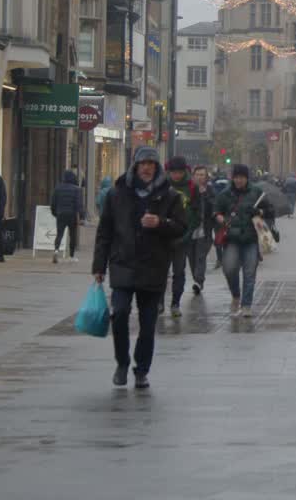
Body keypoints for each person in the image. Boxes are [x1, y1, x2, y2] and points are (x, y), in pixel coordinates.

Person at [92, 146, 186, 389]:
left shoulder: (170, 196)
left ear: (156, 168)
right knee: (120, 313)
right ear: (135, 165)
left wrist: (161, 223)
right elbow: (105, 232)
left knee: (148, 323)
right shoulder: (117, 194)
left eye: (151, 164)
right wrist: (99, 266)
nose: (146, 168)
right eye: (142, 163)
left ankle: (142, 369)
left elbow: (181, 228)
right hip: (123, 262)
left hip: (153, 266)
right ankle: (122, 363)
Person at [214, 164, 268, 318]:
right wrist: (220, 218)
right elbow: (216, 210)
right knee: (229, 269)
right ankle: (236, 295)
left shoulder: (257, 193)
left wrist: (259, 211)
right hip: (231, 239)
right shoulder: (225, 194)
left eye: (242, 177)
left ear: (247, 178)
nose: (238, 180)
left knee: (249, 272)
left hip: (250, 238)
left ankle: (246, 305)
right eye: (236, 177)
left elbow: (269, 210)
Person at [163, 157, 193, 317]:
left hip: (182, 237)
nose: (176, 175)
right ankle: (159, 302)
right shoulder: (162, 186)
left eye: (179, 172)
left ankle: (175, 303)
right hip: (163, 236)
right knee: (160, 271)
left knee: (179, 272)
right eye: (173, 172)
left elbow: (196, 213)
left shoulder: (191, 187)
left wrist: (188, 233)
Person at [186, 165, 217, 297]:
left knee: (200, 256)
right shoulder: (189, 189)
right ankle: (197, 279)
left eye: (202, 175)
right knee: (191, 257)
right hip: (190, 229)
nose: (199, 177)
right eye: (197, 174)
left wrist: (205, 195)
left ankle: (199, 281)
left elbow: (215, 206)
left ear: (206, 177)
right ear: (193, 176)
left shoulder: (210, 190)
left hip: (205, 229)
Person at [50, 169, 84, 263]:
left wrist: (55, 213)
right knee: (72, 235)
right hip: (72, 215)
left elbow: (53, 203)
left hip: (61, 214)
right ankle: (71, 256)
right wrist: (81, 216)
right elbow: (79, 204)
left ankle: (56, 251)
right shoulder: (77, 189)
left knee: (59, 234)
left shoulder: (58, 189)